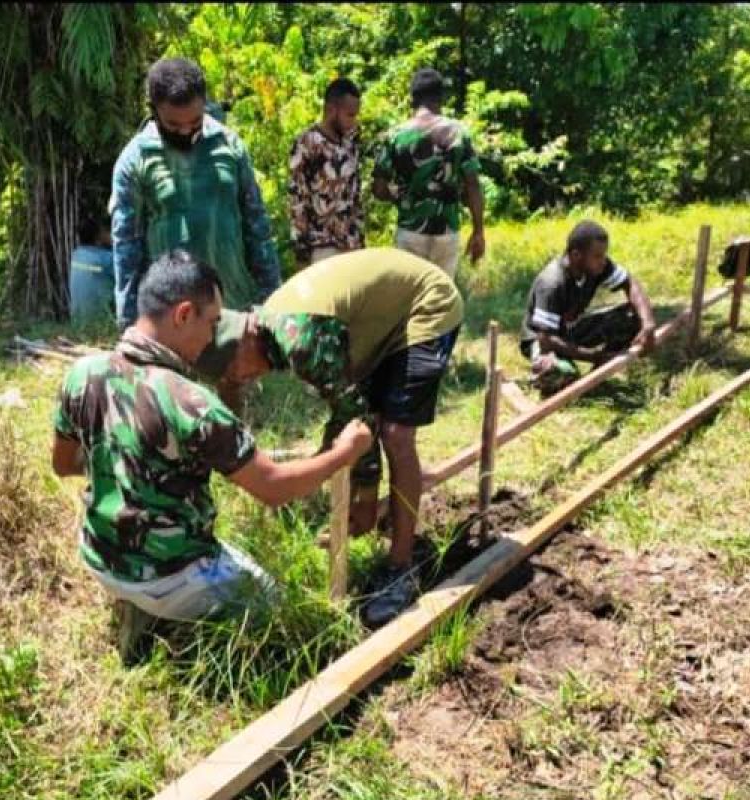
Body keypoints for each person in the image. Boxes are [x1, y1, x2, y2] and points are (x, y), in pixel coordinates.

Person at [51, 250, 373, 661]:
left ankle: (141, 611)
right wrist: (344, 453)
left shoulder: (82, 373)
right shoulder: (191, 403)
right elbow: (273, 489)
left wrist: (122, 459)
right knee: (276, 607)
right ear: (184, 314)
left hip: (99, 558)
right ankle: (173, 613)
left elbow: (63, 465)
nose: (213, 336)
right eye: (213, 322)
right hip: (173, 576)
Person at [194, 248, 464, 628]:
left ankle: (402, 567)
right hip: (382, 319)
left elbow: (357, 417)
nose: (240, 379)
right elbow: (343, 408)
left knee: (396, 434)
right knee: (352, 428)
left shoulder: (300, 340)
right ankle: (366, 519)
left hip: (426, 303)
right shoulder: (266, 326)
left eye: (235, 370)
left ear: (245, 340)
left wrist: (367, 499)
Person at [108, 57, 282, 329]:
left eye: (195, 122)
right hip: (172, 322)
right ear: (153, 110)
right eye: (174, 126)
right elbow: (126, 250)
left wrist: (272, 302)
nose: (186, 131)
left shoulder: (230, 147)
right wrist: (130, 325)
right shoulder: (135, 161)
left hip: (233, 310)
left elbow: (257, 227)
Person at [518, 220, 658, 395]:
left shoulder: (596, 267)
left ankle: (597, 375)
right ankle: (555, 373)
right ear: (576, 255)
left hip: (569, 331)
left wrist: (648, 324)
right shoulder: (552, 283)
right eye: (597, 256)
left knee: (632, 316)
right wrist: (592, 355)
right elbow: (546, 339)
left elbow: (629, 282)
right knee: (559, 374)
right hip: (542, 340)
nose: (603, 261)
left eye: (604, 255)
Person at [372, 67, 485, 278]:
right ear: (440, 98)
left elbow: (378, 189)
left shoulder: (396, 136)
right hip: (447, 231)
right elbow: (473, 185)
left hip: (410, 231)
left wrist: (399, 196)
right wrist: (478, 231)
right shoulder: (459, 133)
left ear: (413, 99)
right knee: (441, 300)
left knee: (410, 299)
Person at [288, 77, 365, 268]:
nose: (353, 121)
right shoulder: (308, 144)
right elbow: (298, 200)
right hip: (322, 248)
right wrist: (302, 252)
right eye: (350, 115)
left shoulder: (351, 143)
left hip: (351, 246)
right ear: (331, 110)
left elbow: (355, 195)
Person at [68, 216, 115, 323]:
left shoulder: (76, 255)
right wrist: (114, 242)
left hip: (77, 320)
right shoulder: (106, 259)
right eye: (105, 231)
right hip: (101, 320)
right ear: (98, 237)